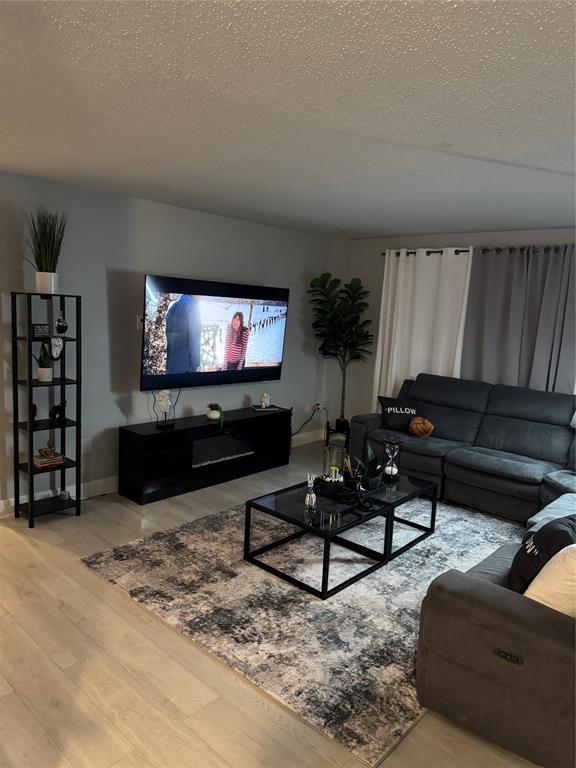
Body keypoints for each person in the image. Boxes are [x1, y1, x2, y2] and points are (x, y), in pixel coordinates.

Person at [165, 294, 201, 373]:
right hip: (186, 370)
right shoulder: (192, 305)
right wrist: (197, 367)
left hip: (171, 368)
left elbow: (168, 338)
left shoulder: (172, 307)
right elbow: (194, 341)